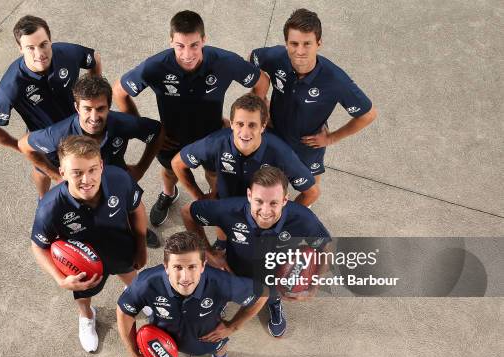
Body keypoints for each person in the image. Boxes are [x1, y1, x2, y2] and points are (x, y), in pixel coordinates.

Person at [113, 10, 261, 227]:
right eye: (180, 46)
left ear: (204, 40)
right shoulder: (155, 67)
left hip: (212, 136)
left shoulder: (225, 61)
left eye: (194, 45)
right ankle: (168, 194)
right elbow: (119, 91)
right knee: (169, 172)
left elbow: (261, 81)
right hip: (172, 138)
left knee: (213, 172)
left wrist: (245, 121)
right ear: (171, 41)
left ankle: (215, 200)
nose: (187, 54)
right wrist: (144, 131)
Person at [182, 166, 330, 337]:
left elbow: (326, 247)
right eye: (259, 201)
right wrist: (208, 253)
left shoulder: (303, 219)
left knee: (272, 294)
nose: (265, 211)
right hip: (235, 268)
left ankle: (274, 304)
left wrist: (314, 285)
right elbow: (187, 213)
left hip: (276, 277)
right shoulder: (228, 210)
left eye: (274, 203)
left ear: (285, 200)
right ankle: (225, 300)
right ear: (249, 196)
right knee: (228, 290)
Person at [30, 136, 147, 352]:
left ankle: (138, 297)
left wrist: (141, 245)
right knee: (83, 295)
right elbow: (38, 246)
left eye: (93, 169)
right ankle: (86, 317)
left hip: (121, 246)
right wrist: (60, 279)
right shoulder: (50, 208)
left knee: (133, 279)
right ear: (62, 173)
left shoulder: (119, 178)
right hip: (84, 263)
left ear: (101, 165)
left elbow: (137, 208)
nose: (87, 179)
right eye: (77, 172)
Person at [18, 74, 163, 247]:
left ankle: (137, 231)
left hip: (115, 180)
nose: (94, 117)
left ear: (109, 107)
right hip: (81, 187)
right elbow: (24, 145)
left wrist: (141, 168)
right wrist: (56, 175)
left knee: (129, 208)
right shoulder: (59, 133)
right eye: (87, 109)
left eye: (100, 108)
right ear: (77, 108)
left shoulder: (123, 124)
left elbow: (157, 133)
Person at [117, 231, 267, 357]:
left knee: (220, 347)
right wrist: (134, 354)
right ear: (166, 267)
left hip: (208, 335)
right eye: (178, 267)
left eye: (192, 267)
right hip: (163, 338)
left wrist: (232, 326)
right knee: (155, 353)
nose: (185, 277)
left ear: (203, 265)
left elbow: (262, 294)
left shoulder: (222, 282)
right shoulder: (146, 282)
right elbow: (124, 311)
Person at [250, 8, 377, 199]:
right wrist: (260, 99)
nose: (300, 51)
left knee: (310, 186)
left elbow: (368, 114)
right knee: (264, 179)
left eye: (307, 44)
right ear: (286, 43)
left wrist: (332, 138)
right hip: (274, 130)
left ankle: (304, 209)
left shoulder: (335, 80)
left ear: (319, 43)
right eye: (294, 43)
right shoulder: (276, 57)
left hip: (307, 144)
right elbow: (253, 58)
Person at [0, 15, 101, 189]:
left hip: (81, 126)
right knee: (42, 170)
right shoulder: (12, 85)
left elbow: (94, 58)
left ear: (50, 40)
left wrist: (93, 94)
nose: (39, 54)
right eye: (30, 48)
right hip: (47, 141)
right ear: (20, 48)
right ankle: (43, 199)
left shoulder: (68, 53)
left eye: (43, 44)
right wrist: (20, 147)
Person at [171, 93, 318, 205]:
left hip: (260, 212)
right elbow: (177, 163)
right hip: (226, 206)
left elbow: (311, 193)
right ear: (232, 123)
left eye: (252, 125)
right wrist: (199, 197)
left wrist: (283, 217)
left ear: (263, 125)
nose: (245, 132)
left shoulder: (281, 153)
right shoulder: (215, 143)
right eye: (240, 124)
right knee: (188, 214)